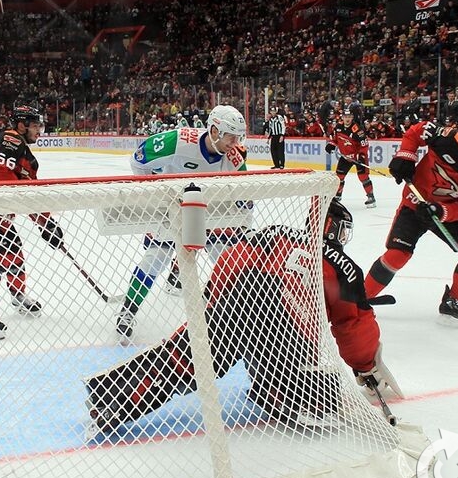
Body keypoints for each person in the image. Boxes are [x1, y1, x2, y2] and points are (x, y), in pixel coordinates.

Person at [85, 199, 402, 435]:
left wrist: (216, 309)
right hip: (283, 328)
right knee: (325, 395)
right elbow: (352, 327)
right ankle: (278, 393)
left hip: (239, 294)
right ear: (335, 228)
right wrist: (365, 366)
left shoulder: (275, 233)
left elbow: (231, 261)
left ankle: (109, 393)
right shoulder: (343, 266)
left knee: (189, 359)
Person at [115, 104, 248, 343]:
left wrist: (240, 212)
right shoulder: (177, 141)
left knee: (228, 260)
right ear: (215, 131)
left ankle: (241, 314)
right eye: (231, 136)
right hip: (171, 209)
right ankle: (128, 310)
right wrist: (155, 194)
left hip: (209, 213)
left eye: (239, 136)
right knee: (155, 259)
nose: (235, 142)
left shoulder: (234, 157)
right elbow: (139, 159)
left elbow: (244, 199)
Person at [364, 122, 458, 328]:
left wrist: (443, 212)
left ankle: (452, 302)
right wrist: (406, 155)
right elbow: (416, 131)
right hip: (415, 203)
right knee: (398, 254)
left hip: (444, 213)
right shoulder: (451, 139)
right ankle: (359, 299)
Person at [0, 104, 63, 340]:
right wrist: (41, 221)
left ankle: (18, 295)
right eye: (35, 126)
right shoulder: (10, 140)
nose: (39, 131)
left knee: (14, 253)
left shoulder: (25, 155)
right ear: (21, 125)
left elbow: (27, 193)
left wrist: (46, 224)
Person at [324, 108, 375, 208]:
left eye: (349, 117)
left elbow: (364, 145)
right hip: (345, 157)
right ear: (342, 117)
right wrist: (331, 144)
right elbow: (335, 139)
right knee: (339, 177)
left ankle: (371, 196)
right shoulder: (338, 127)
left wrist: (361, 156)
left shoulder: (357, 129)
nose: (347, 119)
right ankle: (337, 196)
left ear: (352, 117)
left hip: (357, 157)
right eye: (345, 116)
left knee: (363, 177)